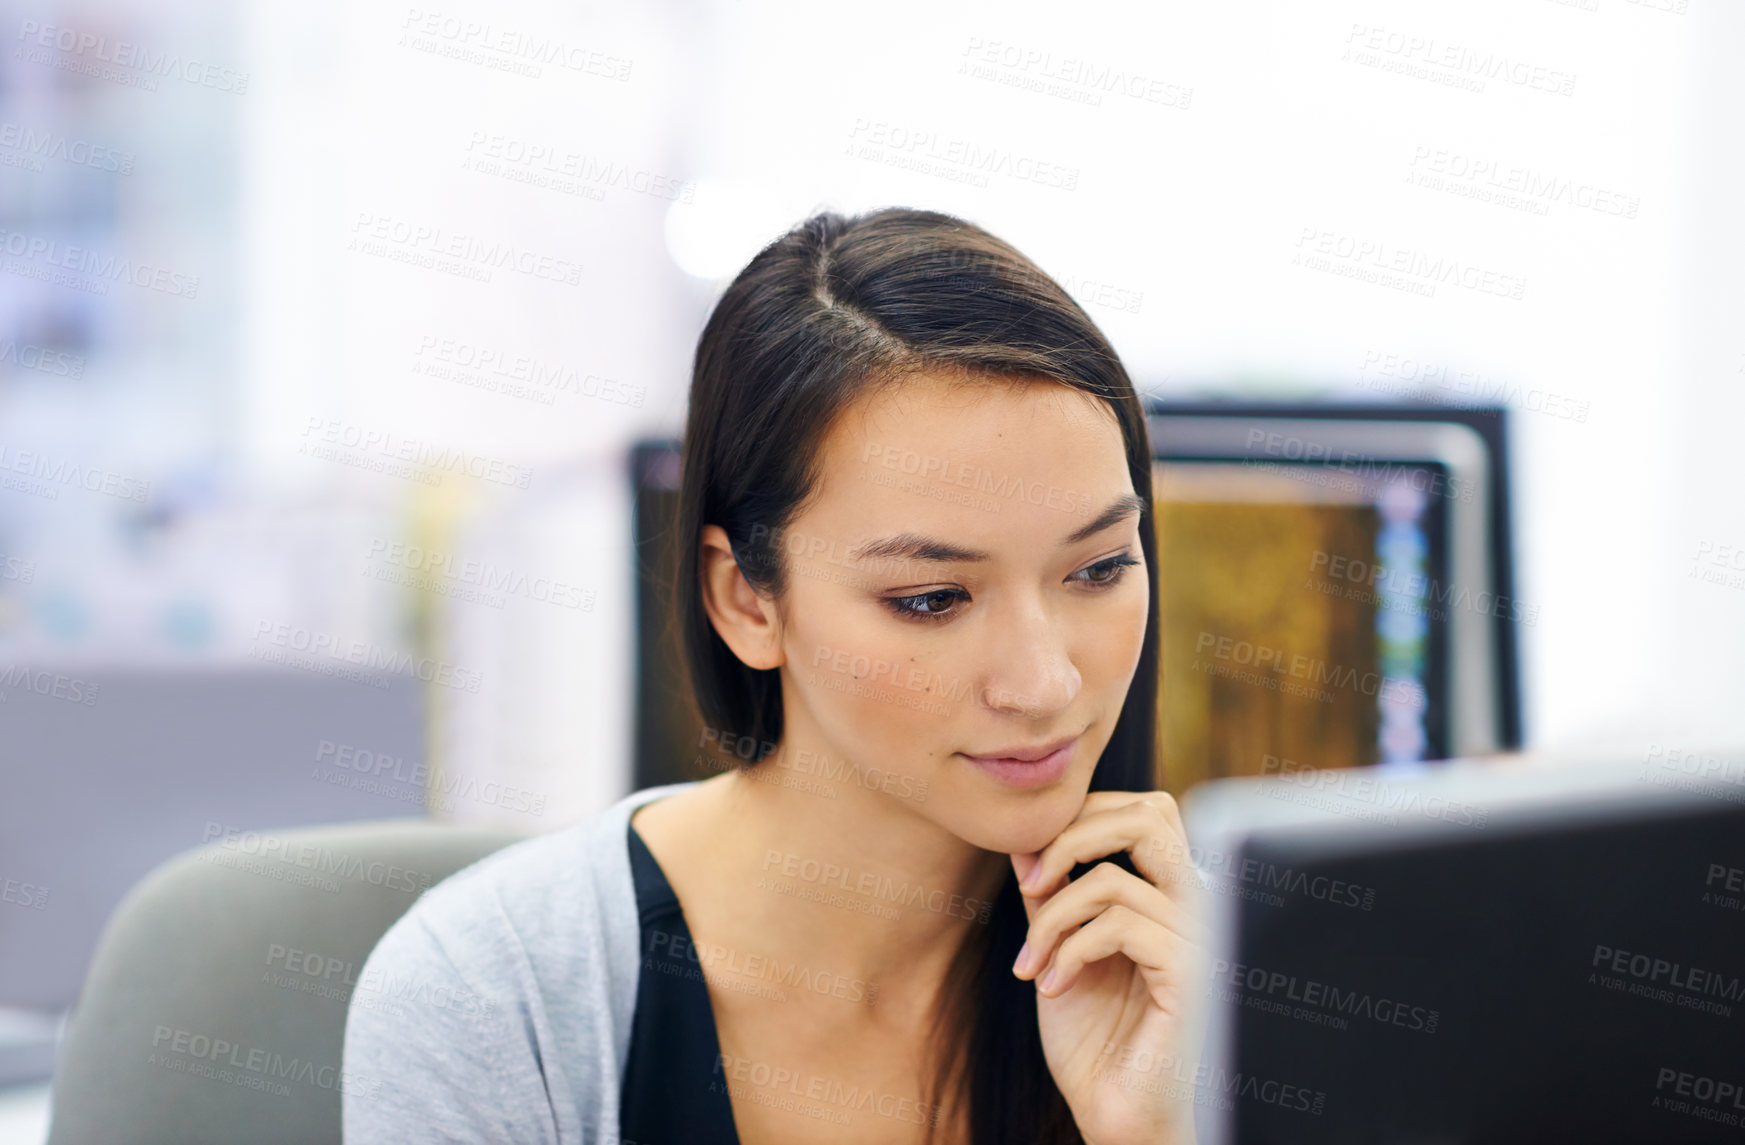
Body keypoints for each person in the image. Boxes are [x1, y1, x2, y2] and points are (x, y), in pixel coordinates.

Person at [342, 206, 1207, 1145]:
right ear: (747, 599)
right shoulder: (495, 995)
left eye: (1097, 568)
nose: (1043, 683)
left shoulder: (1194, 981)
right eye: (931, 598)